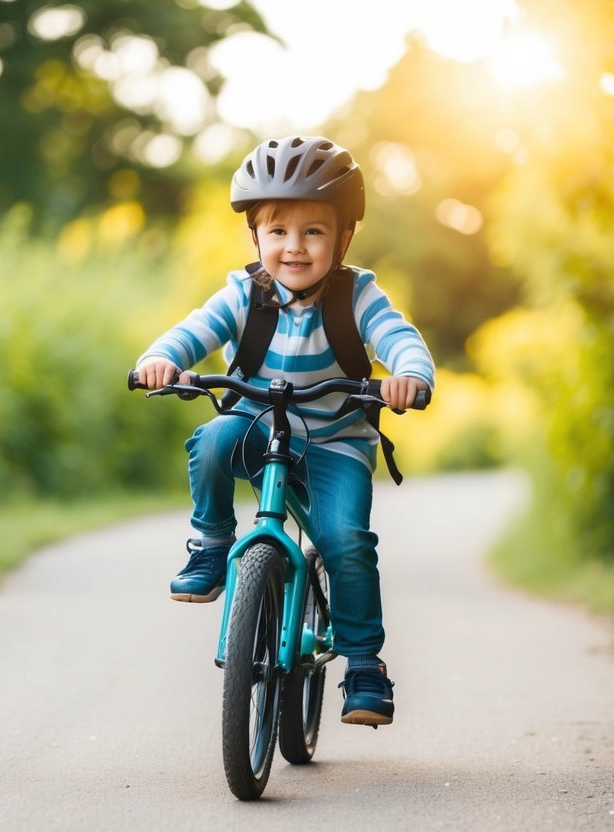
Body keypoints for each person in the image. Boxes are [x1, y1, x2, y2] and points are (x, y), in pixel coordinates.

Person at [134, 136, 434, 726]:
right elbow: (192, 332)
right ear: (256, 238)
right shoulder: (243, 295)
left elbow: (401, 339)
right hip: (256, 424)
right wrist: (160, 360)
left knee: (344, 539)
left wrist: (408, 375)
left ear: (343, 238)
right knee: (215, 439)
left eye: (313, 232)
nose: (293, 247)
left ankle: (365, 665)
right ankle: (213, 544)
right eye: (277, 232)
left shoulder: (359, 296)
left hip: (336, 441)